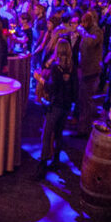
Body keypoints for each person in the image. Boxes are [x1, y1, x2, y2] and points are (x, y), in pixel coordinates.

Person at [35, 38, 77, 180]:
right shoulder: (72, 67)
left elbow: (52, 87)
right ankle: (56, 160)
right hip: (66, 105)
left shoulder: (56, 68)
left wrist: (39, 79)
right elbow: (75, 88)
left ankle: (42, 164)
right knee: (59, 133)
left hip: (56, 105)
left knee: (47, 134)